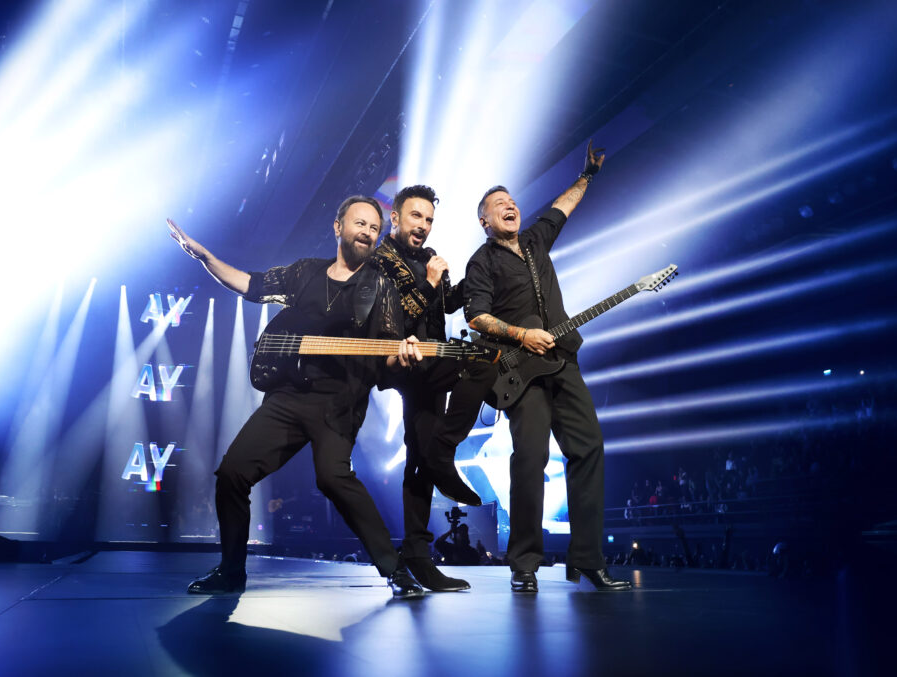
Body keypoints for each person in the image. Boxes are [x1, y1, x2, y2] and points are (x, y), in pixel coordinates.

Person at [167, 195, 425, 598]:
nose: (367, 233)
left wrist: (403, 357)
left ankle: (396, 570)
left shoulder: (380, 287)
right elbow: (251, 285)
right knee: (232, 473)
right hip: (287, 396)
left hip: (338, 403)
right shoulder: (305, 271)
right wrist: (205, 258)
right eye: (360, 224)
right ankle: (231, 571)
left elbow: (388, 353)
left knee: (333, 478)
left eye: (374, 228)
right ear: (338, 227)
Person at [462, 141, 631, 593]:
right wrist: (521, 335)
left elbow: (562, 207)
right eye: (499, 204)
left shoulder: (536, 240)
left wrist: (587, 175)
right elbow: (476, 316)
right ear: (484, 221)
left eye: (512, 200)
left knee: (589, 448)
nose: (510, 205)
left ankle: (588, 560)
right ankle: (524, 564)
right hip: (522, 373)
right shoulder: (481, 262)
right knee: (530, 458)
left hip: (563, 361)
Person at [371, 184, 496, 592]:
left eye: (429, 219)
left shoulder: (430, 257)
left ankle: (418, 556)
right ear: (395, 218)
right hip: (402, 360)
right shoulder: (380, 260)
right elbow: (398, 315)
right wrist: (429, 281)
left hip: (433, 362)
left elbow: (445, 304)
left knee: (419, 457)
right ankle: (443, 456)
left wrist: (476, 276)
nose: (423, 226)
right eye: (416, 216)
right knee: (478, 362)